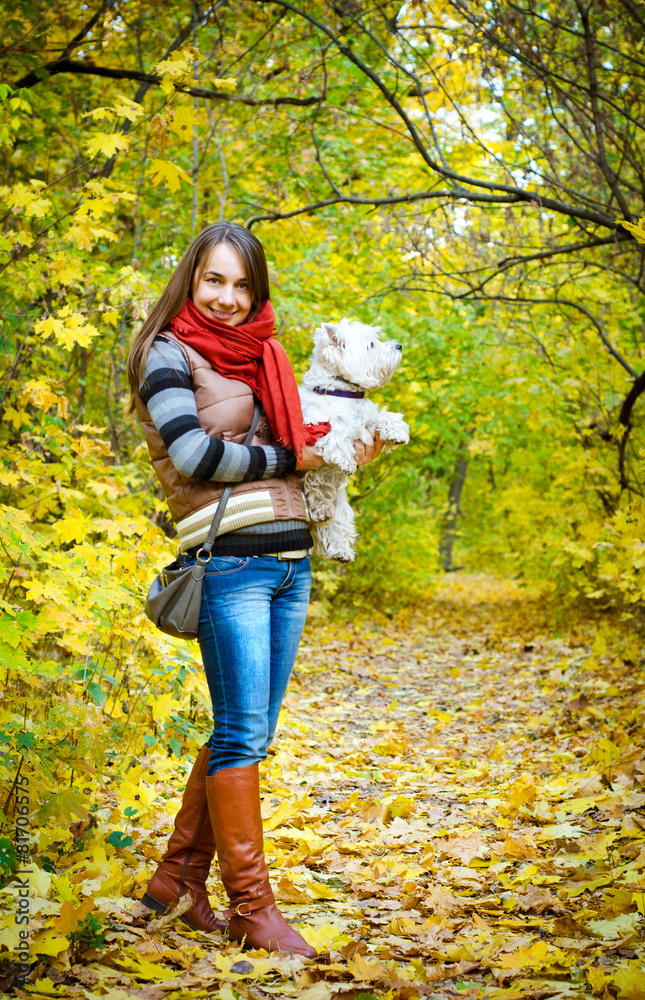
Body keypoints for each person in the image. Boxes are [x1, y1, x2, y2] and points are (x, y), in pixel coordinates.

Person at [126, 222, 383, 957]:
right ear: (191, 280)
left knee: (250, 733)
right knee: (242, 733)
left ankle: (175, 880)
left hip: (289, 561)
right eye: (215, 281)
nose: (229, 298)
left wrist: (341, 447)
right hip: (229, 563)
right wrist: (290, 453)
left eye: (243, 285)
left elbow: (299, 455)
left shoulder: (264, 357)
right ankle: (252, 907)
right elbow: (194, 452)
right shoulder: (165, 355)